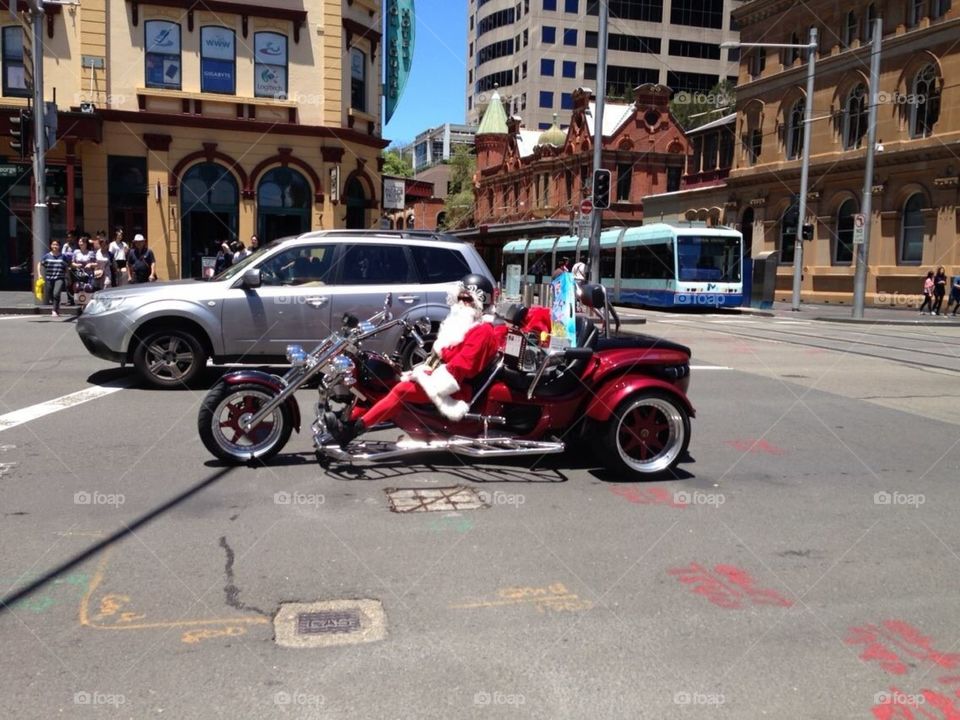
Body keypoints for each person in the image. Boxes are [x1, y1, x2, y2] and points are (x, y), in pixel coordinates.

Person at [324, 274, 500, 447]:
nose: (460, 302)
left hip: (455, 389)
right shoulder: (464, 325)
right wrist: (425, 370)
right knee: (386, 381)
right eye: (459, 297)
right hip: (443, 377)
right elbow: (443, 357)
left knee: (401, 391)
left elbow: (462, 368)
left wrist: (429, 375)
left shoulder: (482, 331)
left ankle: (351, 431)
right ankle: (349, 419)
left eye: (466, 298)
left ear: (480, 302)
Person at [37, 240, 70, 316]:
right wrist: (39, 274)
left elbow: (66, 267)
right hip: (49, 278)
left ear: (59, 246)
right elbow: (39, 264)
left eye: (57, 245)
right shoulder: (47, 256)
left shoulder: (63, 257)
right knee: (49, 294)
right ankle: (57, 305)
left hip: (59, 278)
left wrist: (68, 277)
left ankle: (54, 309)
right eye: (53, 244)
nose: (55, 246)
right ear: (51, 246)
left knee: (56, 293)